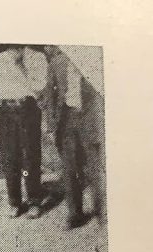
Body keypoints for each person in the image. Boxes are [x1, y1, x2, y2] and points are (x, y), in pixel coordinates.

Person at [0, 45, 49, 219]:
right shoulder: (2, 58)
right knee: (10, 157)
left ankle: (34, 201)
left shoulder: (37, 57)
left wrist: (21, 68)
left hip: (27, 109)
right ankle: (15, 202)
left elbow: (40, 85)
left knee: (30, 157)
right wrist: (3, 86)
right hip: (7, 111)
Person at [48, 46, 102, 229]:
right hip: (67, 119)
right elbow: (50, 95)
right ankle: (74, 214)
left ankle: (102, 212)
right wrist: (51, 124)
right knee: (69, 169)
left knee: (95, 166)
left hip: (91, 117)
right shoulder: (57, 62)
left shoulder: (94, 59)